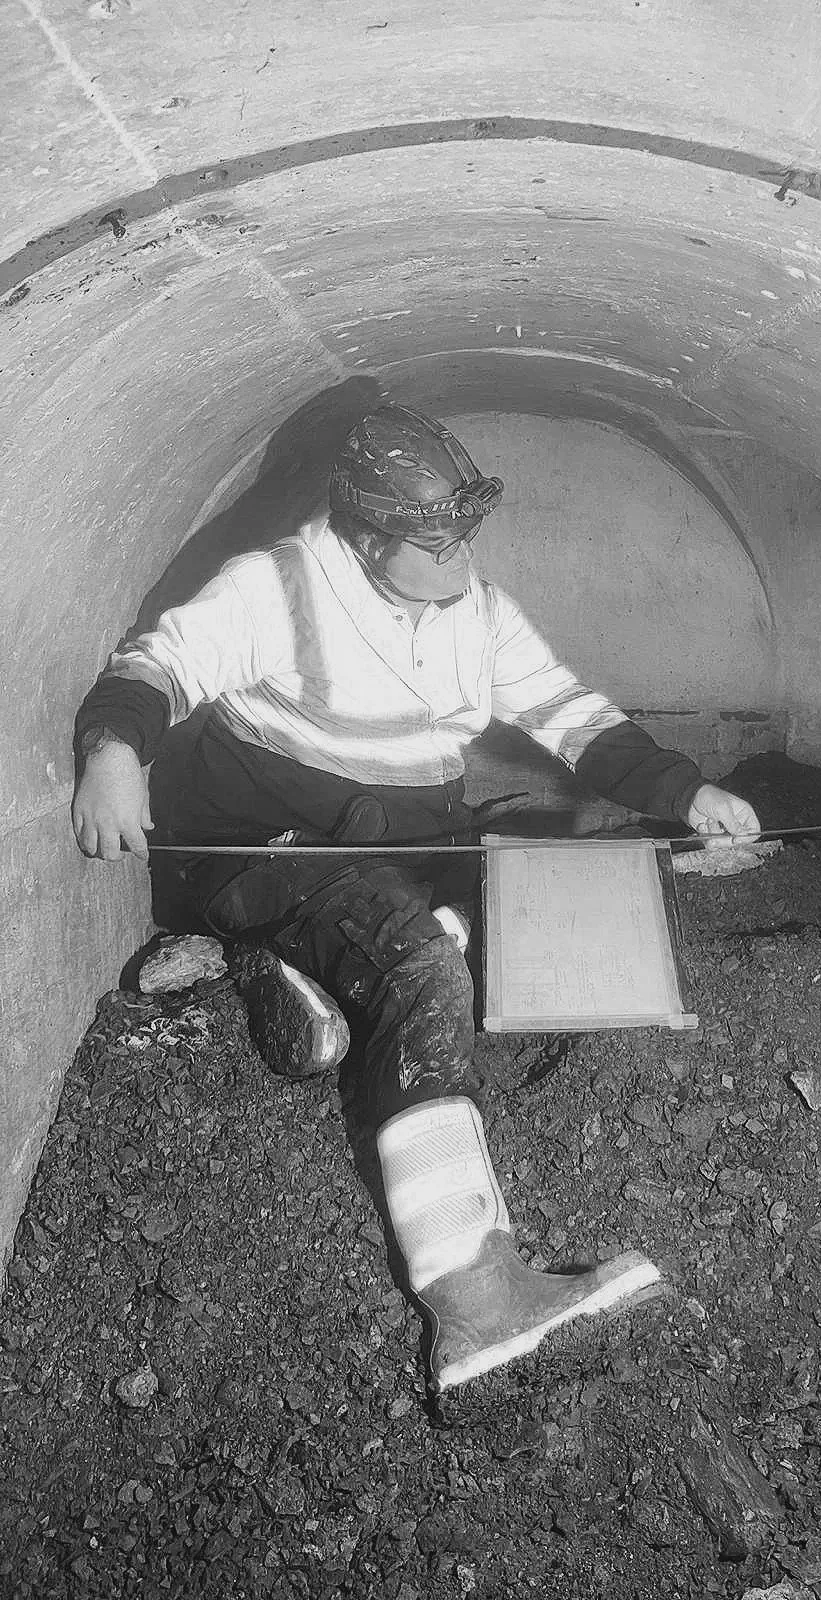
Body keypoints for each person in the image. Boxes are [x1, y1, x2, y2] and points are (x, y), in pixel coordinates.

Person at [71, 406, 761, 1393]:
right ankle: (472, 1299)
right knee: (420, 964)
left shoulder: (477, 609)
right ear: (365, 536)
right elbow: (156, 666)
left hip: (403, 843)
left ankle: (297, 976)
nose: (458, 561)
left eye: (463, 538)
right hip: (270, 847)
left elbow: (571, 715)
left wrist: (686, 791)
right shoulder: (276, 588)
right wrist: (112, 755)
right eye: (433, 546)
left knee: (510, 898)